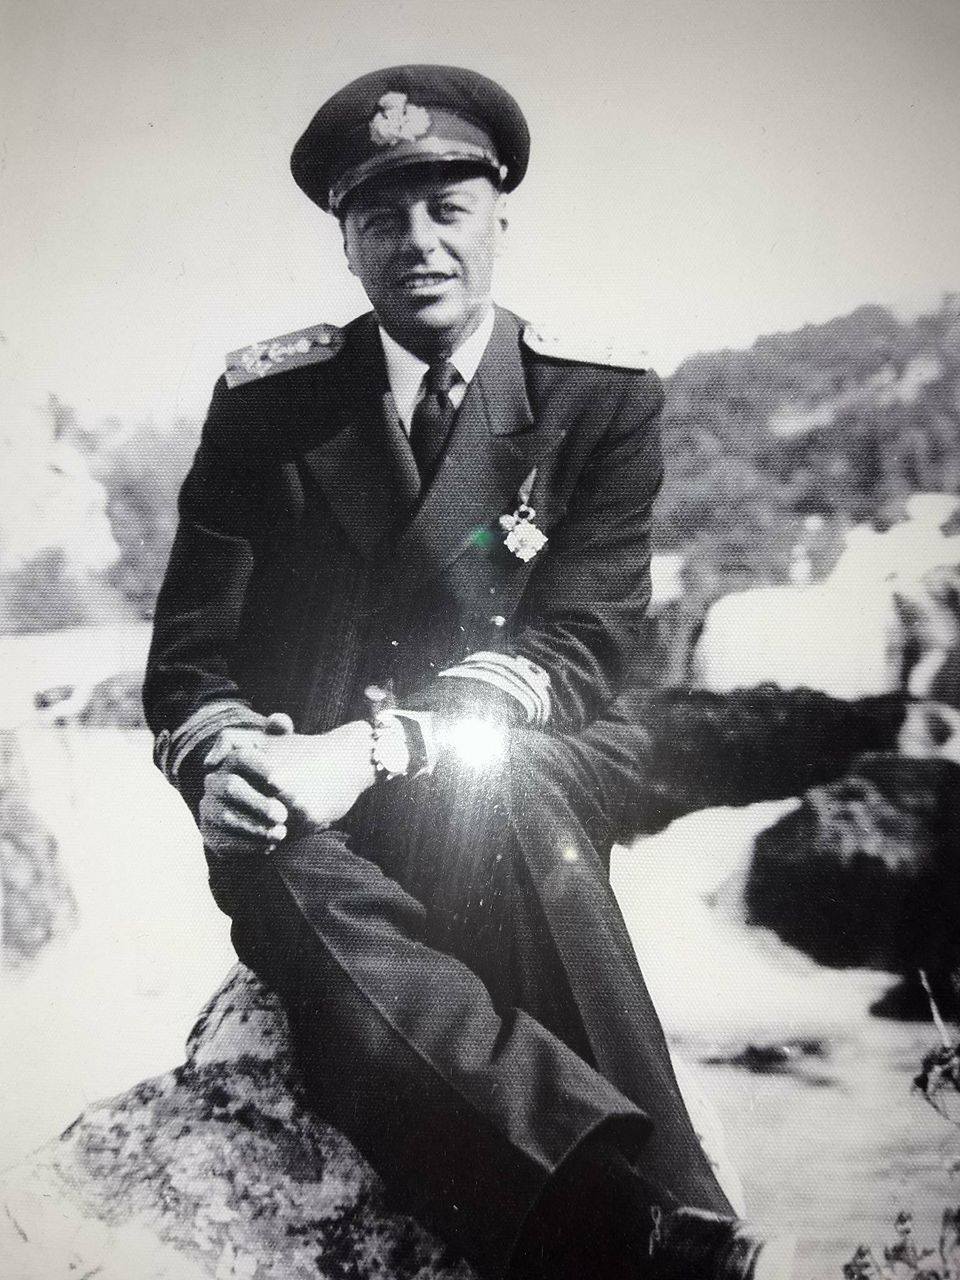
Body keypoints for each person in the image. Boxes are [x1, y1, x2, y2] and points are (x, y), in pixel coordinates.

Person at [144, 64, 795, 1280]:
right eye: (382, 217)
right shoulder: (269, 408)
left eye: (448, 208)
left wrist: (379, 746)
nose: (420, 243)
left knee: (519, 790)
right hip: (320, 792)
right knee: (276, 855)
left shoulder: (595, 398)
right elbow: (189, 660)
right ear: (345, 244)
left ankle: (676, 1197)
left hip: (513, 758)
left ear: (502, 217)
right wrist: (228, 763)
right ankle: (625, 1223)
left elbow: (581, 648)